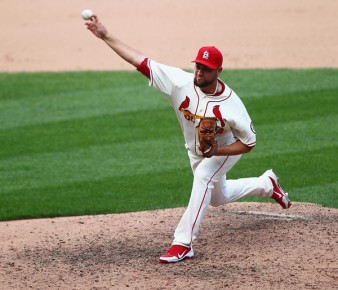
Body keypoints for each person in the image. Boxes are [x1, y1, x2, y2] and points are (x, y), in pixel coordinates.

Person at [85, 15, 292, 263]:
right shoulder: (180, 82)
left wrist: (217, 151)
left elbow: (248, 143)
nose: (200, 72)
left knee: (205, 176)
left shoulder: (232, 105)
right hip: (195, 151)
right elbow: (140, 61)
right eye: (197, 66)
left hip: (225, 149)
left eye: (206, 69)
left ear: (218, 71)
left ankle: (183, 243)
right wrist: (105, 35)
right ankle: (267, 184)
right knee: (217, 196)